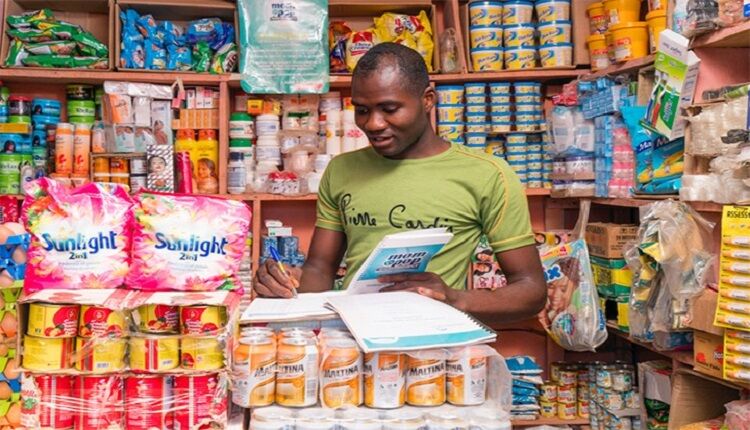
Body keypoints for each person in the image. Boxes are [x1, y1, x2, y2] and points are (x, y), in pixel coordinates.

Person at [253, 43, 546, 325]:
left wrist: (454, 299)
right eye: (362, 110)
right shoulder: (341, 170)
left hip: (437, 345)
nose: (373, 124)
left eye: (390, 108)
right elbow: (320, 269)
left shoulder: (487, 174)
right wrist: (284, 282)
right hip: (354, 342)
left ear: (428, 99)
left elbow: (531, 291)